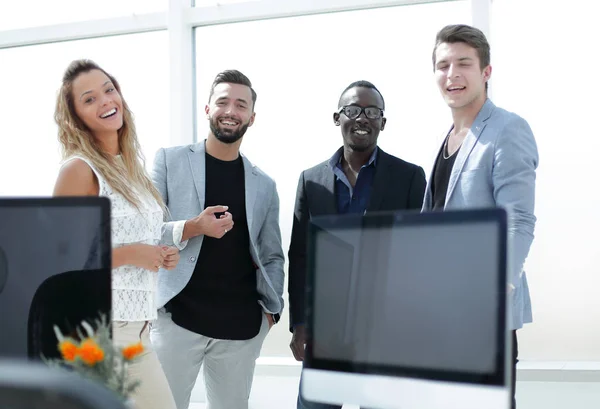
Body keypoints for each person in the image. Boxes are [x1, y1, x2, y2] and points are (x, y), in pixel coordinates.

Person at [149, 69, 284, 409]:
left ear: (251, 118)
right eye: (222, 101)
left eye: (241, 105)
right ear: (208, 109)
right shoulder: (169, 160)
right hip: (178, 319)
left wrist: (269, 314)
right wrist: (194, 226)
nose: (231, 110)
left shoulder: (264, 185)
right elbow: (146, 230)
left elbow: (272, 255)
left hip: (240, 330)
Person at [288, 80, 427, 409]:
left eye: (372, 111)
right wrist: (300, 324)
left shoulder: (409, 177)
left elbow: (419, 258)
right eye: (352, 110)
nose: (362, 118)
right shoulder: (311, 180)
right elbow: (301, 256)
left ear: (383, 122)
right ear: (338, 118)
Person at [53, 59, 179, 409]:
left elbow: (137, 239)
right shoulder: (80, 169)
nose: (106, 101)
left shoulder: (131, 170)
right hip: (98, 330)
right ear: (75, 115)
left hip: (139, 330)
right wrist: (131, 254)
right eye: (89, 98)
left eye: (109, 89)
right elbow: (57, 260)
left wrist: (160, 253)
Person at [424, 24, 539, 409]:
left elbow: (519, 222)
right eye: (443, 65)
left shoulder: (507, 129)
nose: (452, 74)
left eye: (463, 64)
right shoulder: (447, 138)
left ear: (486, 72)